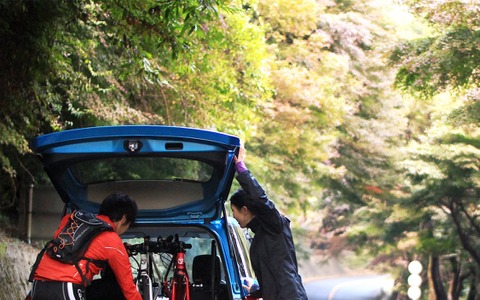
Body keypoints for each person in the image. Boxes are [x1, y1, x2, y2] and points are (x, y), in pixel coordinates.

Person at [29, 192, 142, 300]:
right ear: (123, 219)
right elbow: (129, 290)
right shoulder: (112, 240)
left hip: (38, 285)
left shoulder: (72, 220)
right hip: (66, 288)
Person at [230, 146, 308, 300]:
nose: (233, 216)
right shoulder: (260, 234)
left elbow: (260, 199)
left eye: (234, 211)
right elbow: (272, 278)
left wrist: (241, 168)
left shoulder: (274, 225)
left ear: (244, 209)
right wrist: (255, 291)